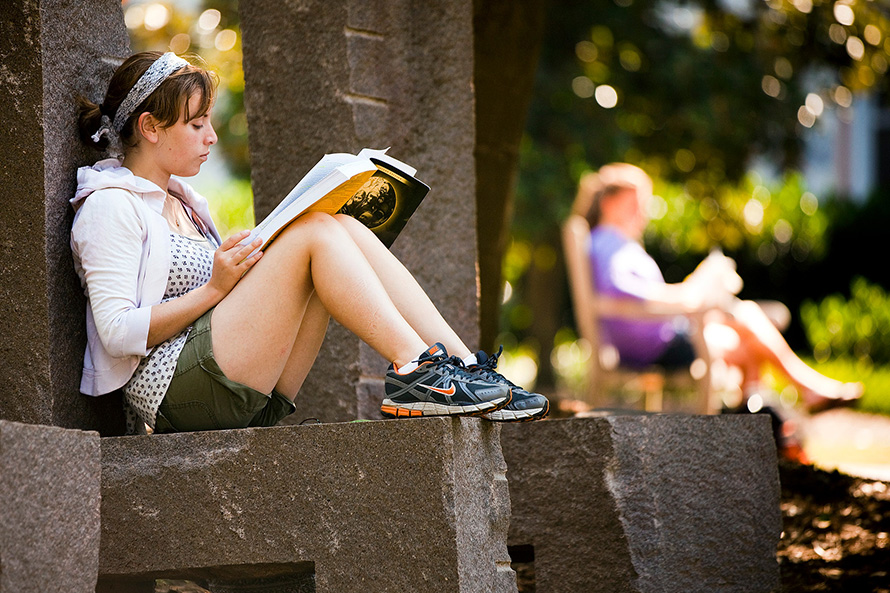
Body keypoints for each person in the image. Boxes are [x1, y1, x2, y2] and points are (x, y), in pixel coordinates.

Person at [72, 51, 549, 434]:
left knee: (341, 224)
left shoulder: (186, 203)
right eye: (196, 125)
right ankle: (416, 373)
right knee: (315, 232)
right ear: (150, 127)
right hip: (174, 394)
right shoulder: (109, 206)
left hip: (241, 383)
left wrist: (247, 262)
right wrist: (217, 288)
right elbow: (115, 333)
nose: (212, 137)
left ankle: (462, 366)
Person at [571, 162, 862, 414]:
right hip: (653, 345)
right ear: (609, 203)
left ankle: (771, 414)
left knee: (747, 333)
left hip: (659, 336)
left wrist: (690, 293)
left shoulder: (611, 242)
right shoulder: (608, 241)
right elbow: (622, 290)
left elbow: (632, 291)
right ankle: (798, 395)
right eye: (634, 204)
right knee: (748, 328)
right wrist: (685, 297)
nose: (643, 213)